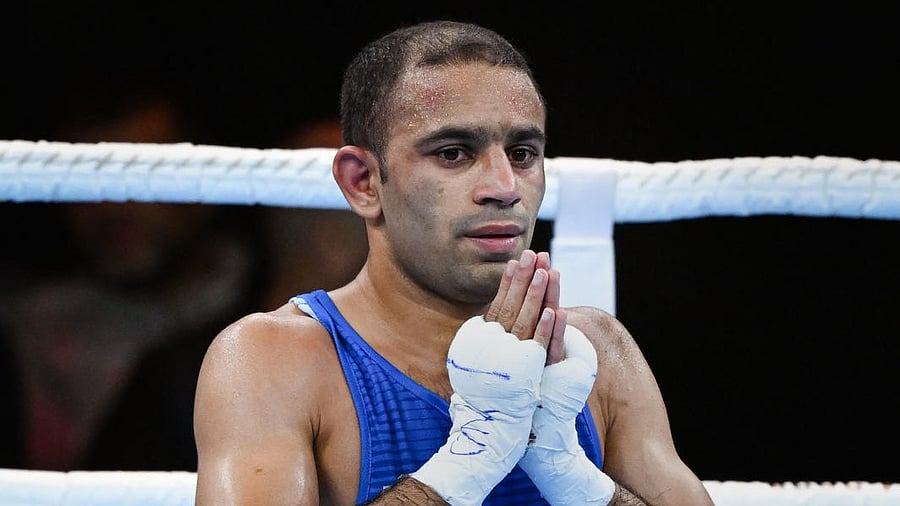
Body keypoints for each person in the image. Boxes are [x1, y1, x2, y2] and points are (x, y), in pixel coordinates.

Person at [193, 20, 714, 505]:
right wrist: (473, 456)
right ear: (364, 182)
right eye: (453, 153)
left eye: (523, 153)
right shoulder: (275, 360)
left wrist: (568, 472)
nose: (504, 188)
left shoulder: (597, 352)